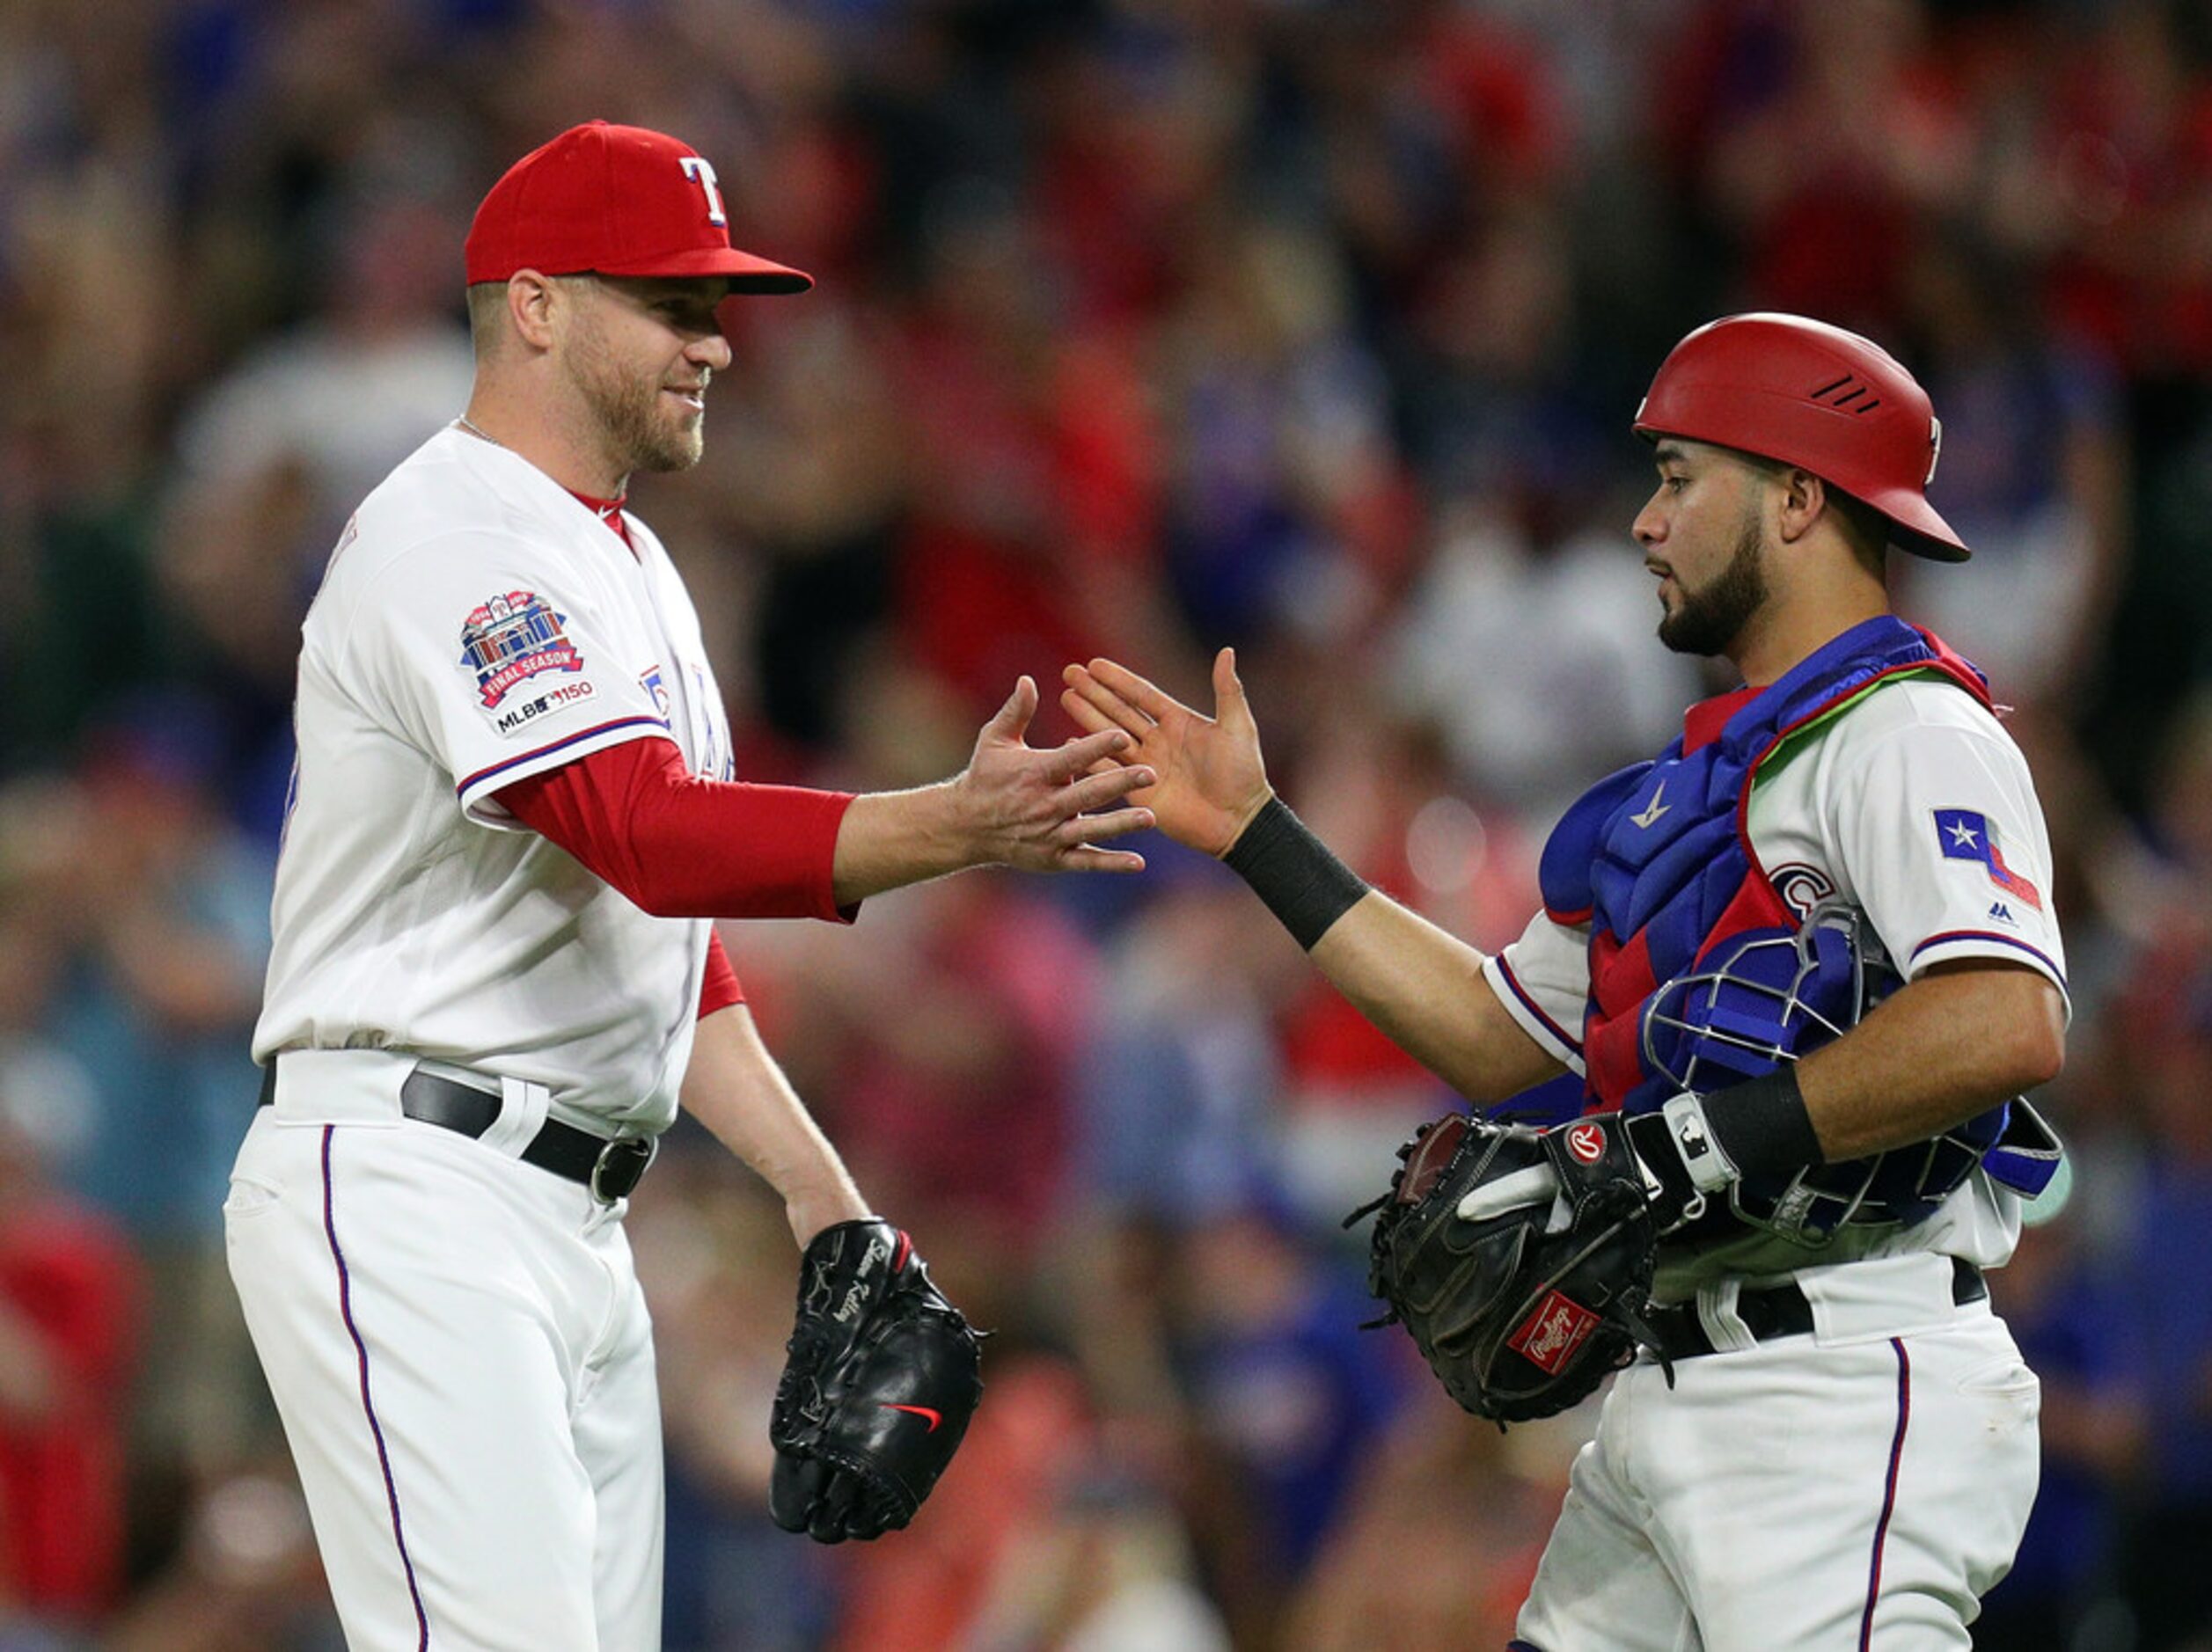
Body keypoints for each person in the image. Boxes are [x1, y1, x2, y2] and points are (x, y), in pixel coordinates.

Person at [226, 120, 1156, 1650]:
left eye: (715, 308)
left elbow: (663, 936)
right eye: (669, 304)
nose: (713, 345)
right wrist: (953, 821)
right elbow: (643, 830)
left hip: (577, 1214)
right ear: (534, 305)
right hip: (408, 1181)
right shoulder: (454, 532)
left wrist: (825, 1201)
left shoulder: (629, 565)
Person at [1064, 311, 2068, 1648]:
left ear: (1796, 495)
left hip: (1846, 1377)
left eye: (1677, 476)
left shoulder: (1907, 731)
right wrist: (1259, 833)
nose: (1644, 521)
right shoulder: (1687, 789)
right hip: (1670, 1381)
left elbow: (2006, 1014)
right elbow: (1488, 1029)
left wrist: (1690, 1143)